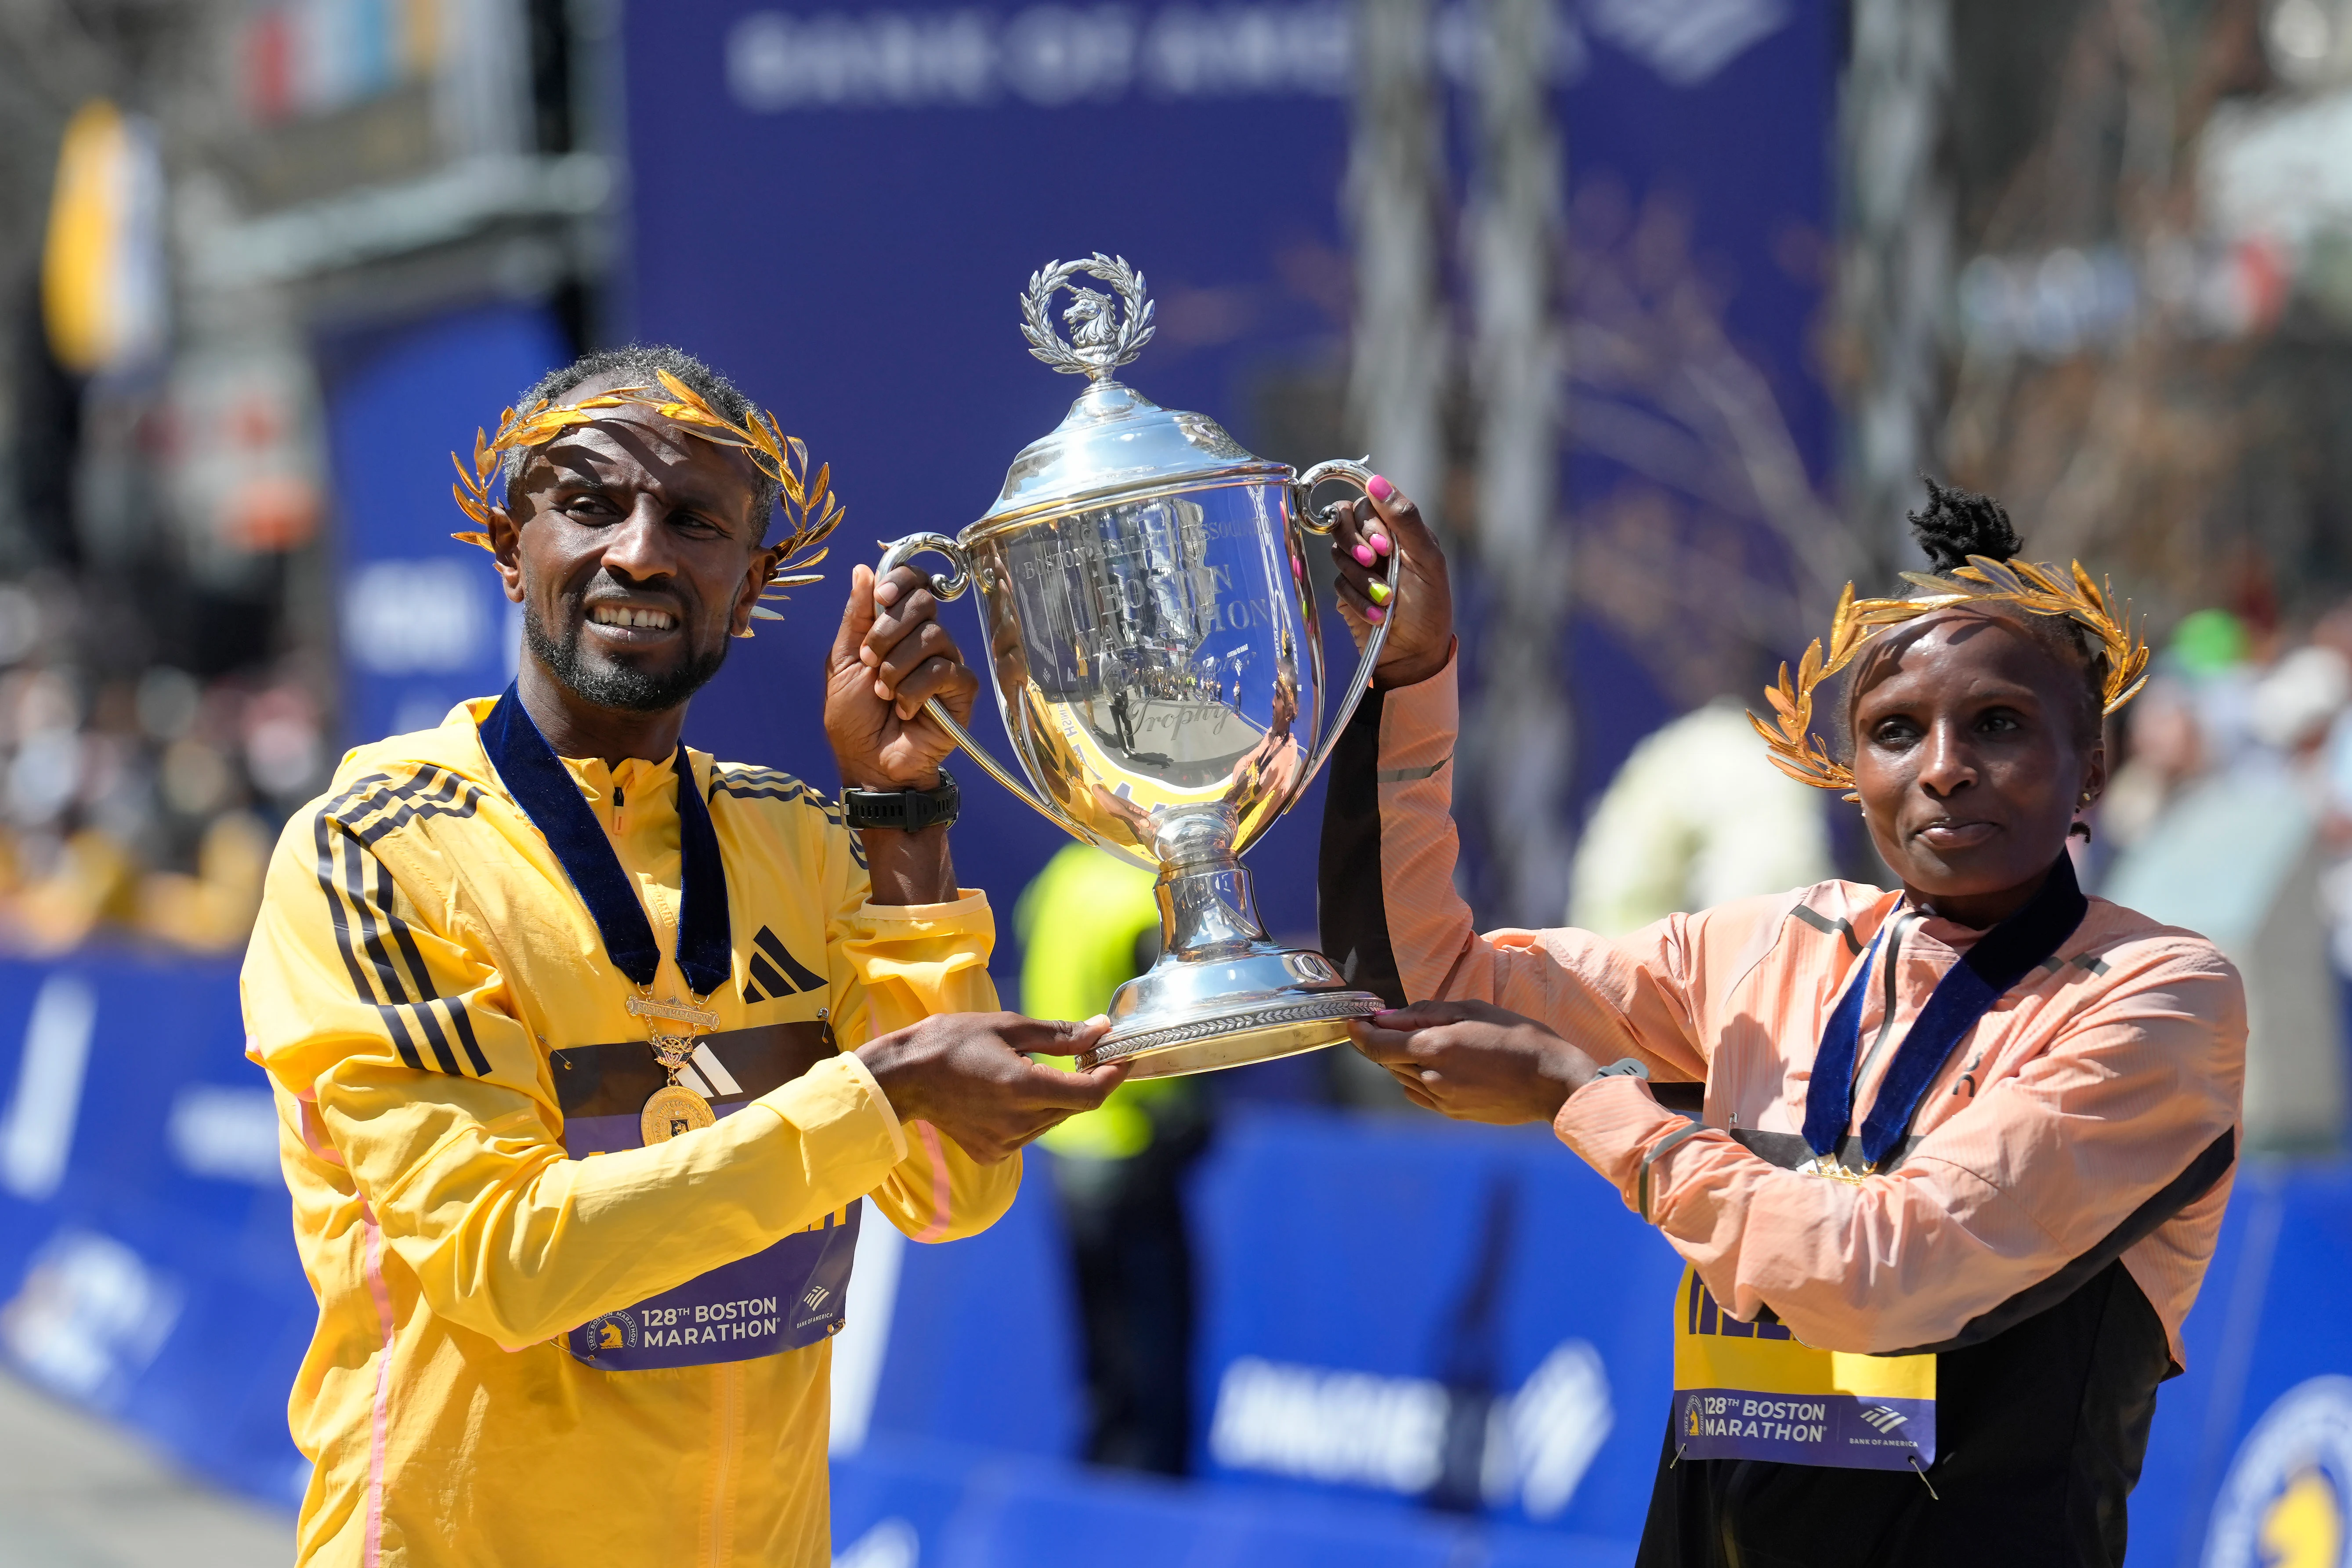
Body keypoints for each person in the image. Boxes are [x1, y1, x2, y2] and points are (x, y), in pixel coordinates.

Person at [241, 346, 1126, 1568]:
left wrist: (900, 817)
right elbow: (510, 1264)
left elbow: (943, 1195)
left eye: (695, 521)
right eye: (590, 506)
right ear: (511, 547)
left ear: (753, 578)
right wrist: (879, 1089)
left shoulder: (804, 840)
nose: (642, 553)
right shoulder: (376, 850)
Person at [1315, 474, 2245, 1565]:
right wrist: (1412, 672)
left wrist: (1584, 1099)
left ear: (2090, 762)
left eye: (1997, 724)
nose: (1943, 768)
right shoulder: (1776, 943)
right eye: (1897, 731)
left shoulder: (2156, 991)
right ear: (1852, 773)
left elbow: (1882, 1275)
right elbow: (1416, 983)